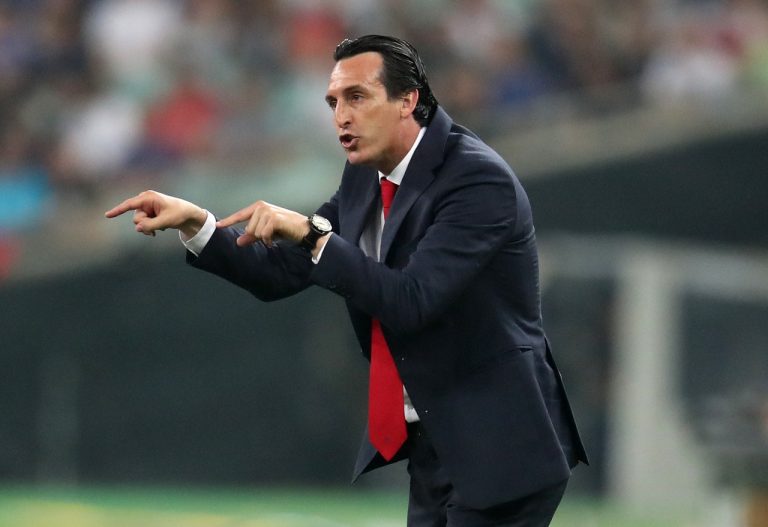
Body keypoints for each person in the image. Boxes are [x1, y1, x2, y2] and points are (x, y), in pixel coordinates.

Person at [105, 34, 588, 527]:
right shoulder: (363, 176)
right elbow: (279, 272)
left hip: (501, 445)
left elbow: (412, 301)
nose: (341, 116)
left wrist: (313, 235)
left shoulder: (477, 180)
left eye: (357, 97)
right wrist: (198, 223)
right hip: (437, 443)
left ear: (408, 100)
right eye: (334, 102)